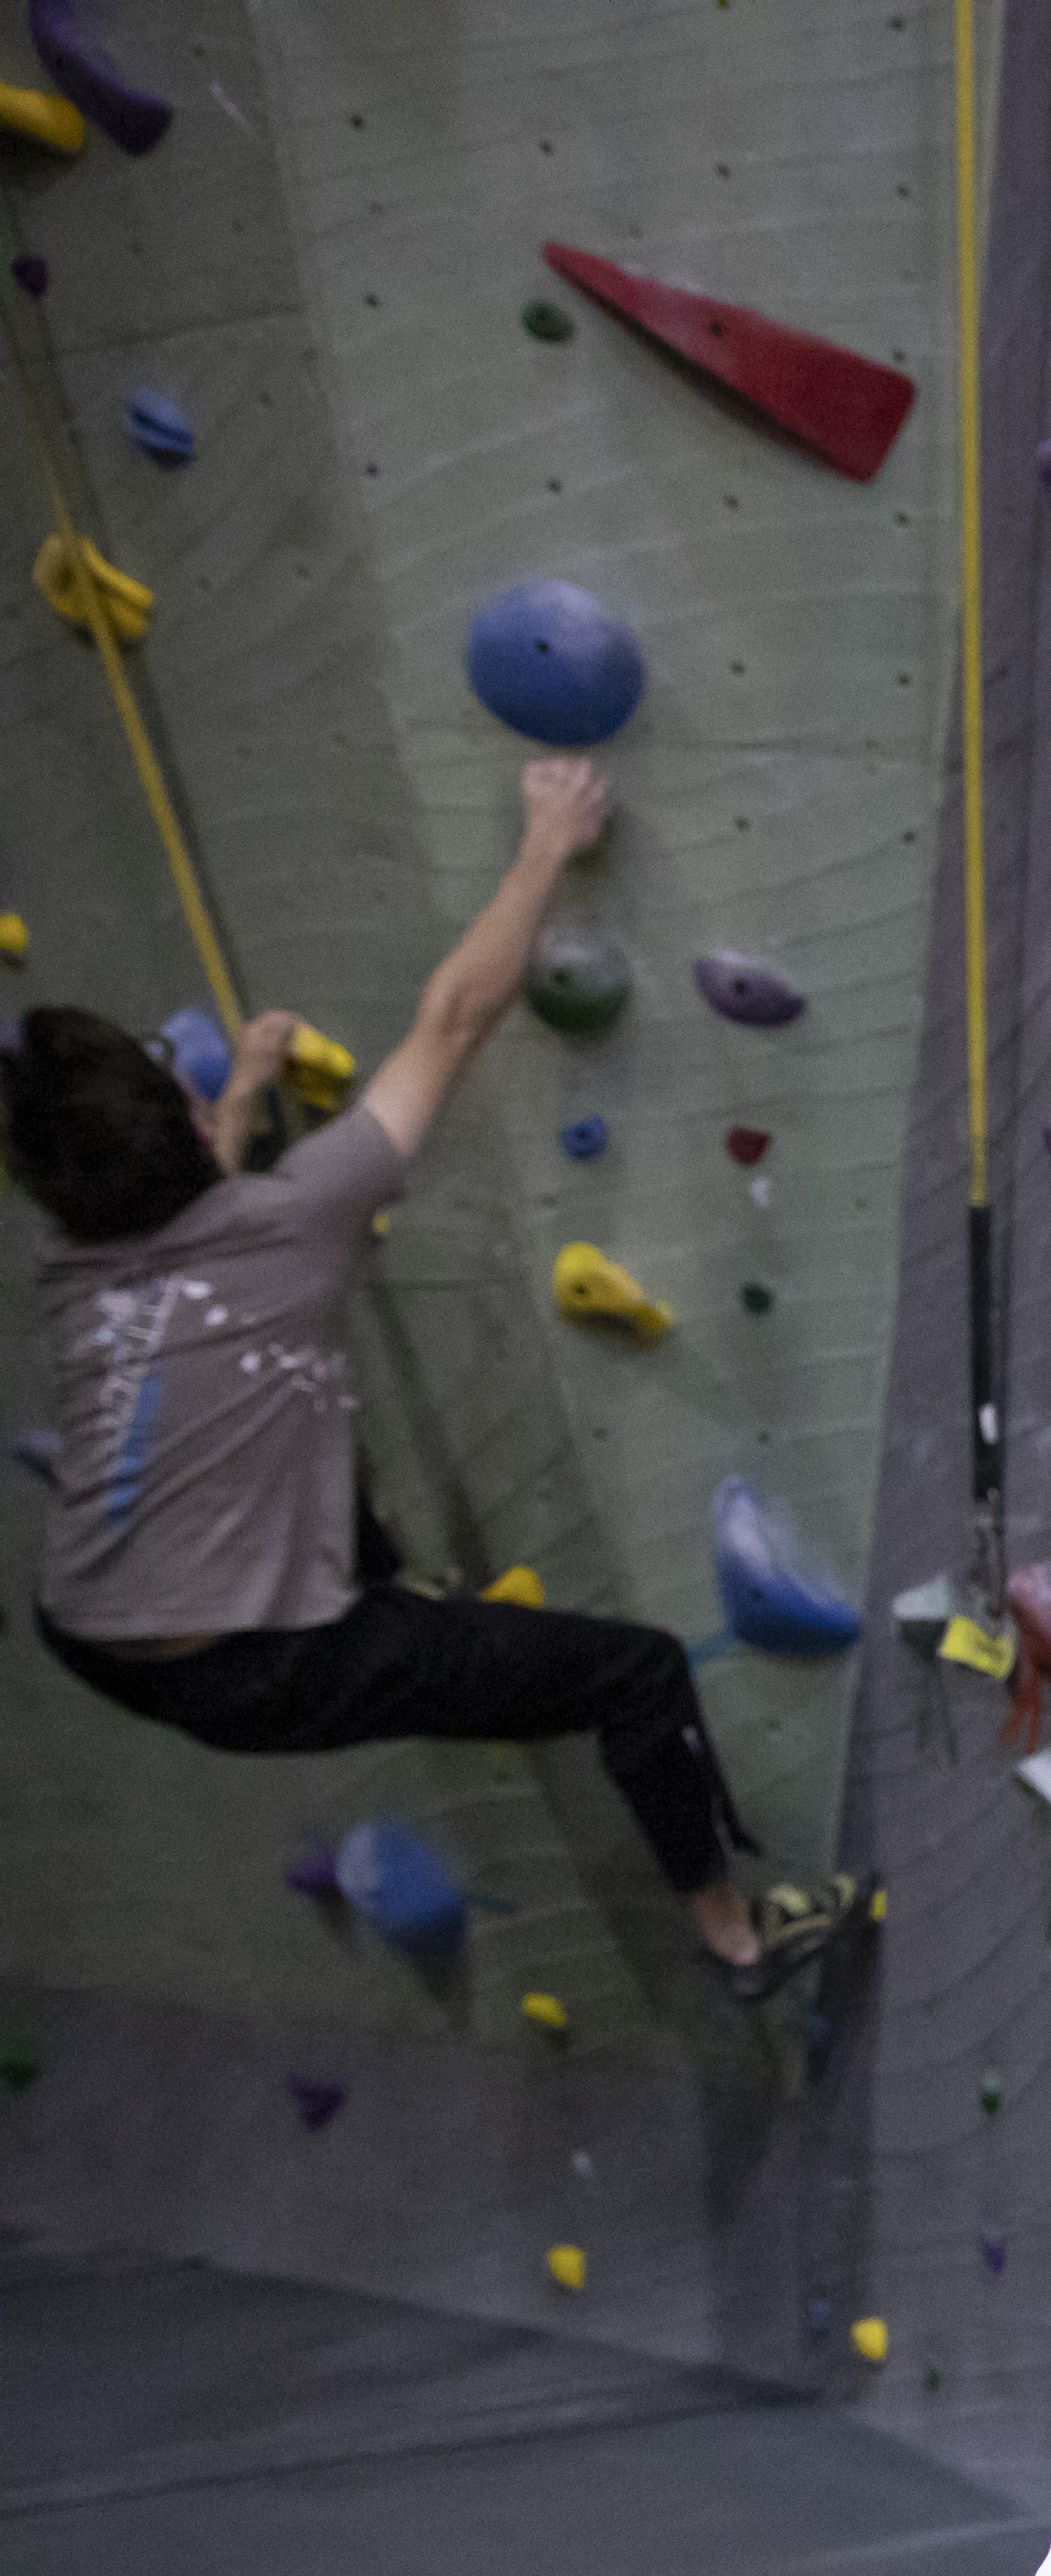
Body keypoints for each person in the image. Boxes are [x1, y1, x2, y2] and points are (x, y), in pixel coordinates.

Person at [12, 758, 864, 1991]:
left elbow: (188, 1236)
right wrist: (545, 842)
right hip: (256, 1666)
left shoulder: (71, 1265)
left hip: (87, 1621)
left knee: (289, 1404)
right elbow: (457, 1015)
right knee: (636, 1673)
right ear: (184, 1131)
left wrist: (244, 1090)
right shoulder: (300, 1219)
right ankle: (735, 1935)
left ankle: (375, 1576)